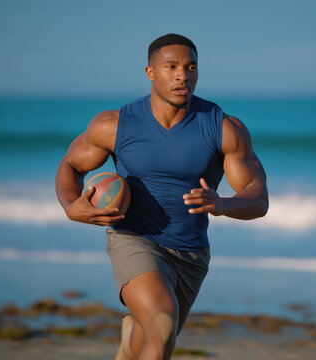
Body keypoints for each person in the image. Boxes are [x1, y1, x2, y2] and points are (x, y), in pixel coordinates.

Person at [55, 33, 268, 360]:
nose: (183, 74)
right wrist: (72, 206)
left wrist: (223, 204)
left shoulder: (223, 128)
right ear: (150, 73)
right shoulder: (114, 125)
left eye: (190, 66)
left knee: (151, 334)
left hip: (191, 253)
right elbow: (71, 165)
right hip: (134, 239)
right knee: (163, 323)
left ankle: (128, 345)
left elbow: (258, 197)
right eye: (172, 67)